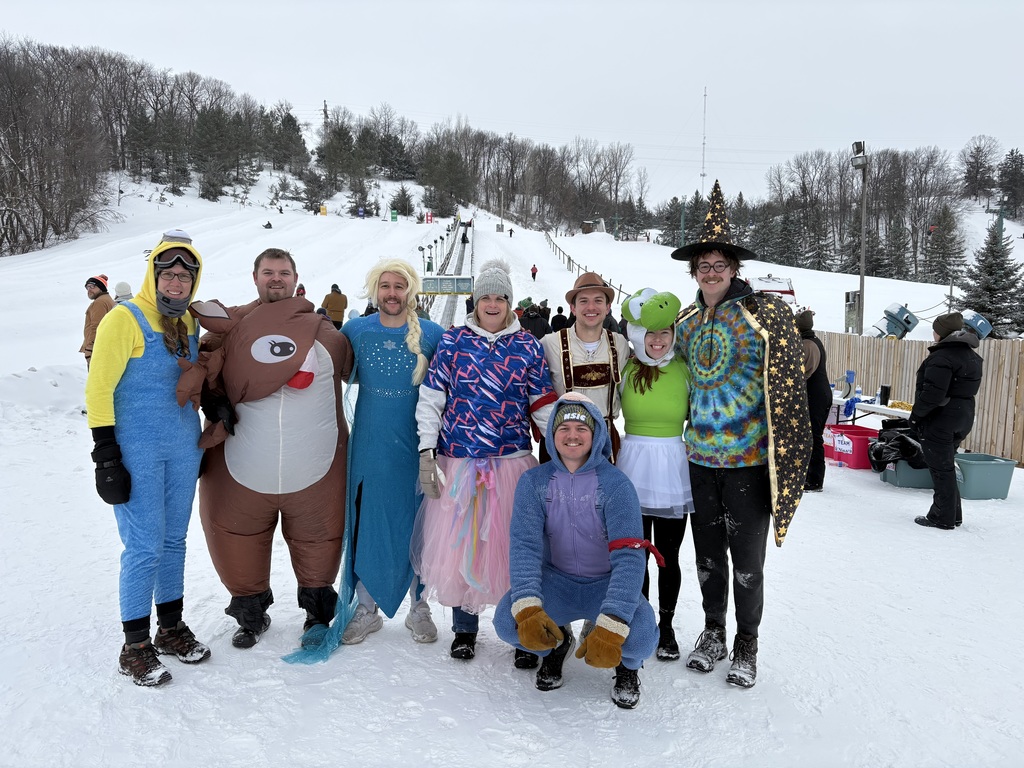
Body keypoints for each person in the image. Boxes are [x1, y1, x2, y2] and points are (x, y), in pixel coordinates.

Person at [671, 180, 811, 689]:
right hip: (700, 461)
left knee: (747, 562)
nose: (711, 273)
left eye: (720, 265)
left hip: (750, 462)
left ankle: (746, 644)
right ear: (695, 272)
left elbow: (796, 373)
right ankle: (713, 633)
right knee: (706, 556)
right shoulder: (685, 323)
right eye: (703, 266)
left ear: (734, 270)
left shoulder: (766, 316)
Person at [188, 248, 354, 648]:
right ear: (255, 277)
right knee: (236, 533)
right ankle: (250, 612)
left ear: (296, 277)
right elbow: (197, 371)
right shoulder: (228, 329)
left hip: (315, 466)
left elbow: (357, 366)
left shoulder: (327, 335)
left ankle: (317, 613)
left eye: (283, 272)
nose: (275, 278)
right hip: (239, 464)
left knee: (320, 536)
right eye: (268, 272)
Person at [414, 259, 557, 662]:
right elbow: (432, 400)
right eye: (485, 297)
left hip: (511, 462)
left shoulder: (527, 345)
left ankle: (520, 631)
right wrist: (427, 450)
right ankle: (464, 629)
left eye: (500, 297)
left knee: (516, 553)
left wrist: (565, 452)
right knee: (463, 551)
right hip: (459, 463)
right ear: (474, 301)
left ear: (511, 303)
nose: (492, 304)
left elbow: (542, 403)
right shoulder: (454, 342)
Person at [85, 229, 209, 687]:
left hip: (182, 446)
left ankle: (170, 627)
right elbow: (98, 388)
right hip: (136, 448)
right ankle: (134, 645)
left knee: (174, 540)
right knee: (143, 545)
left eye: (185, 276)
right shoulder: (125, 319)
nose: (176, 283)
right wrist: (105, 453)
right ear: (153, 274)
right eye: (169, 274)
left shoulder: (189, 323)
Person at [492, 393, 658, 709]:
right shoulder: (533, 482)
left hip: (604, 585)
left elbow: (629, 556)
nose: (572, 435)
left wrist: (614, 618)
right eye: (563, 427)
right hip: (557, 581)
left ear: (595, 434)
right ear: (552, 435)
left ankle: (627, 669)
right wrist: (528, 606)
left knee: (640, 637)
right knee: (507, 622)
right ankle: (557, 643)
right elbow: (524, 545)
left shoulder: (617, 484)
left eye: (581, 428)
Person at [339, 260, 446, 645]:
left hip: (416, 446)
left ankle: (419, 606)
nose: (392, 293)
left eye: (399, 286)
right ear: (374, 290)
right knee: (371, 523)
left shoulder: (432, 334)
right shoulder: (356, 331)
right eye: (385, 285)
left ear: (411, 291)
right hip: (370, 446)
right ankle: (366, 608)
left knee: (418, 524)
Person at [615, 287, 692, 662]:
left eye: (664, 333)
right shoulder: (627, 368)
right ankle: (640, 619)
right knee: (635, 555)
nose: (658, 341)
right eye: (650, 334)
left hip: (672, 468)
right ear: (636, 335)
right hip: (632, 465)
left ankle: (667, 625)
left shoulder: (684, 367)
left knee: (669, 555)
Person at [541, 272, 629, 462]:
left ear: (607, 307)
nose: (591, 307)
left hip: (604, 443)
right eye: (583, 301)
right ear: (572, 308)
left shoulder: (620, 344)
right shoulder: (550, 344)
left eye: (598, 300)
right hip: (562, 442)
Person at [910, 312, 983, 530]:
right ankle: (953, 515)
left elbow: (933, 394)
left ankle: (941, 517)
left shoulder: (942, 357)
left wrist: (916, 416)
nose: (933, 333)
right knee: (946, 466)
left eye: (935, 329)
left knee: (941, 470)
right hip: (964, 414)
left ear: (941, 332)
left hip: (942, 418)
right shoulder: (970, 355)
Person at [796, 309, 832, 492]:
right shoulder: (812, 341)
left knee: (813, 437)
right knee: (810, 436)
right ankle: (809, 476)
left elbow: (802, 374)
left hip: (815, 396)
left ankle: (815, 480)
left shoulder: (808, 344)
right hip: (818, 394)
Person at [81, 274, 115, 369]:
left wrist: (90, 348)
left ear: (101, 288)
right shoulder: (108, 300)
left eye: (92, 286)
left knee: (97, 380)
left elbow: (96, 326)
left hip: (98, 349)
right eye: (87, 287)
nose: (89, 290)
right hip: (105, 348)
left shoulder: (99, 303)